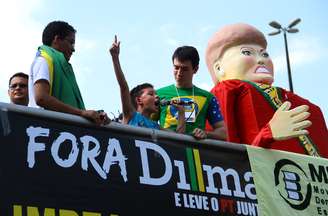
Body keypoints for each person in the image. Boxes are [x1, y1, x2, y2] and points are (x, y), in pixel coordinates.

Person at [205, 23, 328, 158]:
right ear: (219, 68)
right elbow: (224, 158)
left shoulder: (307, 106)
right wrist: (268, 133)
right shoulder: (226, 90)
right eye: (247, 52)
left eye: (264, 54)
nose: (261, 60)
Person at [29, 21, 108, 125]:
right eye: (71, 42)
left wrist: (95, 116)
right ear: (56, 39)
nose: (73, 49)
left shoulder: (62, 66)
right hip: (44, 129)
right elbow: (41, 98)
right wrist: (81, 113)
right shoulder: (43, 60)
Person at [109, 36, 185, 131]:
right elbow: (123, 87)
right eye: (151, 94)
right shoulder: (131, 115)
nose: (157, 97)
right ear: (139, 100)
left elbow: (178, 140)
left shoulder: (157, 128)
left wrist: (181, 112)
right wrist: (115, 58)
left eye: (156, 95)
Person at [156, 46, 226, 140]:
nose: (179, 73)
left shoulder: (208, 98)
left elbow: (223, 133)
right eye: (176, 67)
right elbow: (146, 124)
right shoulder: (158, 94)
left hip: (195, 152)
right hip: (166, 148)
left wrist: (206, 134)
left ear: (195, 69)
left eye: (185, 69)